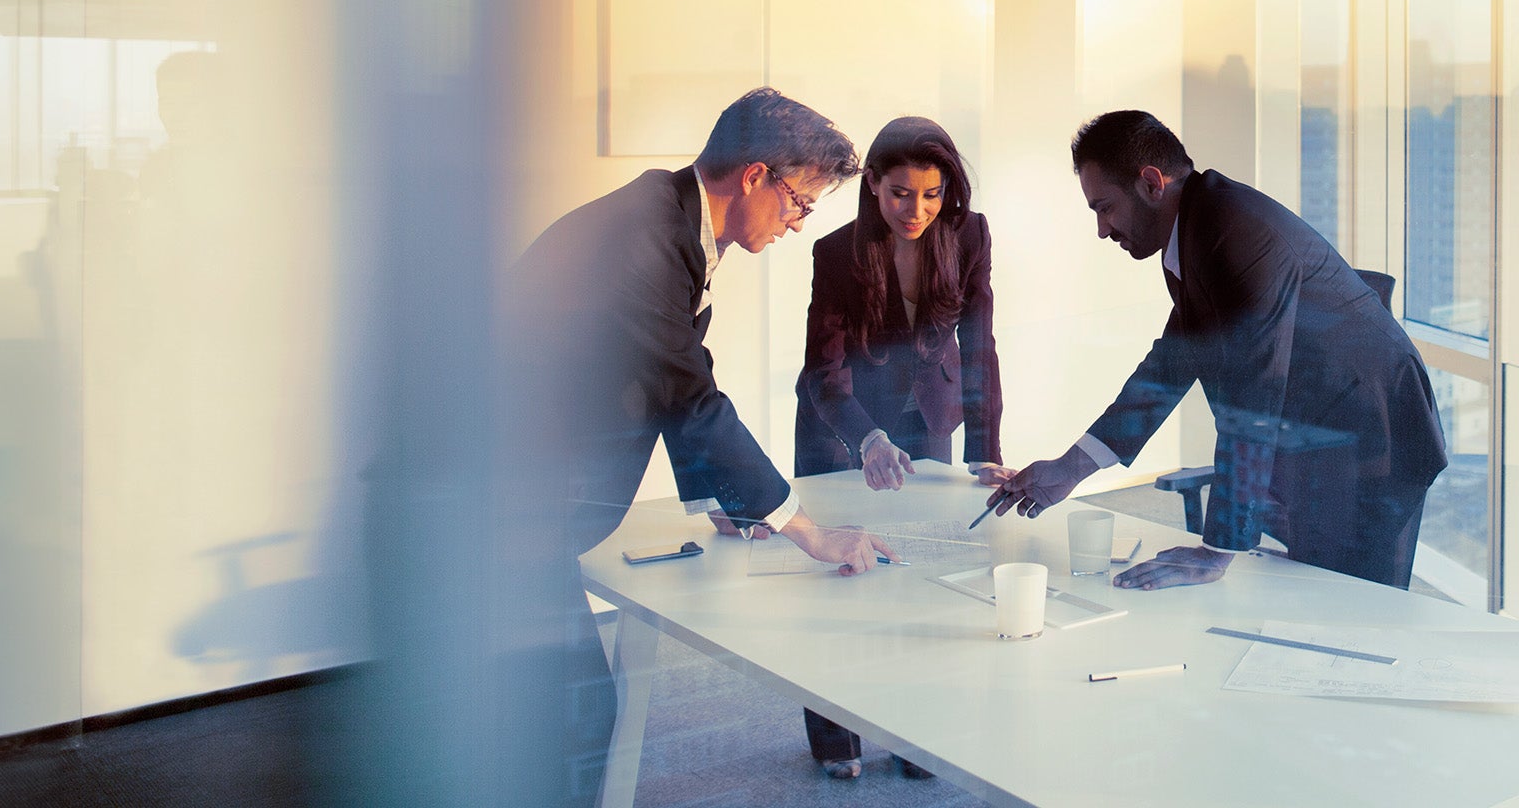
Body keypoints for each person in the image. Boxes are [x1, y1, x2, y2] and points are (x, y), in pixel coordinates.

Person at [503, 87, 900, 805]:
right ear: (755, 176)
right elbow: (690, 395)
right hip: (492, 509)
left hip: (514, 505)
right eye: (799, 203)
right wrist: (805, 530)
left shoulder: (667, 221)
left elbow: (666, 378)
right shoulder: (644, 240)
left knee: (565, 719)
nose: (798, 224)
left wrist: (729, 498)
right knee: (576, 718)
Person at [987, 110, 1447, 594]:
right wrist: (1070, 468)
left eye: (1105, 208)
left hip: (1373, 433)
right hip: (1318, 425)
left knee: (1351, 608)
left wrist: (1217, 550)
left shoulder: (1236, 233)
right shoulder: (1194, 233)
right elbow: (1169, 367)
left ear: (1151, 182)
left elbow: (1252, 396)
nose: (1103, 229)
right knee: (1309, 594)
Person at [790, 116, 1010, 779]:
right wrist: (868, 438)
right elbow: (823, 370)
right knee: (840, 581)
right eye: (900, 193)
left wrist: (984, 450)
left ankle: (919, 731)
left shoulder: (969, 235)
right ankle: (836, 737)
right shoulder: (836, 252)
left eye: (932, 193)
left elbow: (981, 346)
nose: (917, 209)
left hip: (927, 415)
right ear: (873, 189)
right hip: (841, 424)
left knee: (925, 575)